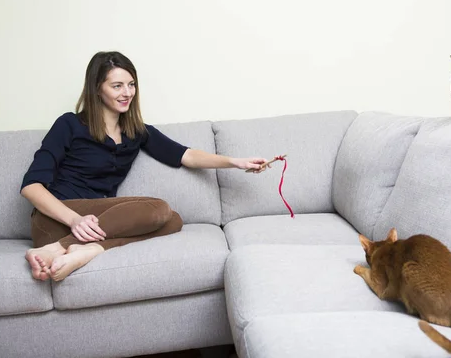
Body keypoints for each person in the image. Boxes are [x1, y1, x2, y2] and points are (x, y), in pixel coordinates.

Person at [22, 51, 269, 282]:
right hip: (56, 223)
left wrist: (235, 162)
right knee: (158, 208)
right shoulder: (70, 124)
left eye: (131, 84)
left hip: (98, 227)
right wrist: (75, 220)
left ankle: (87, 250)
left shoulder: (136, 132)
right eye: (117, 86)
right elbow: (31, 187)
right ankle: (59, 247)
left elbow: (187, 155)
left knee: (174, 221)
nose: (127, 92)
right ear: (97, 89)